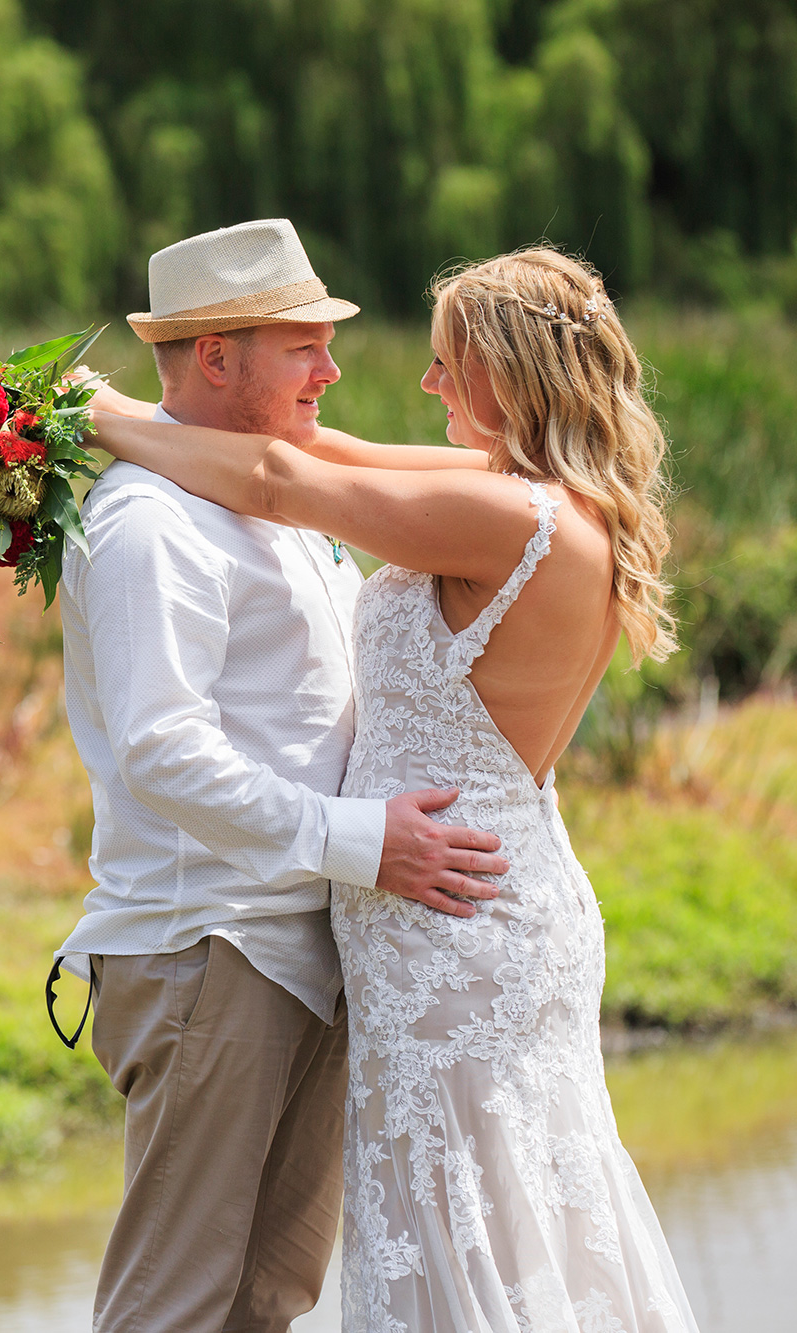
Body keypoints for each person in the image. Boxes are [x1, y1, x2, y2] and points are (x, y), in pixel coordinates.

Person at [86, 245, 701, 1332]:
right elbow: (325, 449)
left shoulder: (511, 516)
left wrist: (88, 416)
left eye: (443, 364)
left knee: (471, 1214)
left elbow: (284, 479)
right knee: (492, 1207)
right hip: (458, 900)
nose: (420, 386)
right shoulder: (530, 494)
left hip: (451, 915)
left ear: (506, 374)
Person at [50, 218, 510, 1333]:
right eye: (303, 345)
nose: (332, 369)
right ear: (216, 358)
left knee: (266, 1301)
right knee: (175, 1305)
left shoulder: (274, 502)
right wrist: (366, 842)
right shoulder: (149, 521)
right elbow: (163, 748)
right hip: (210, 947)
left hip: (297, 941)